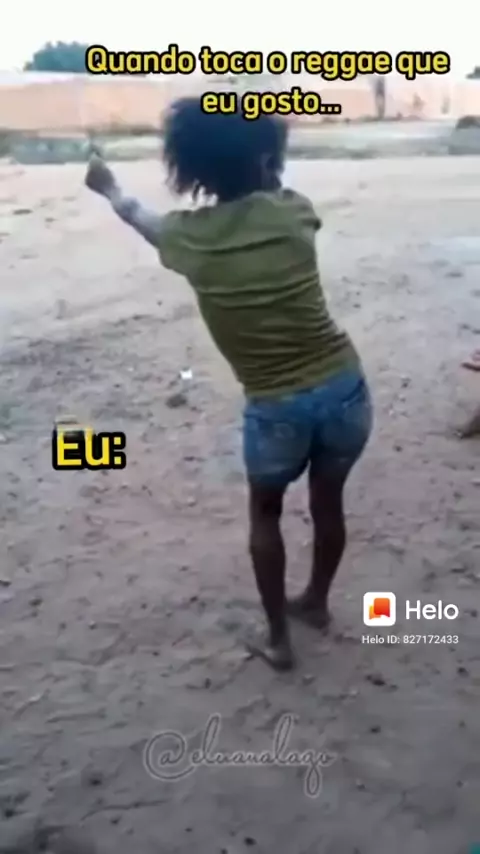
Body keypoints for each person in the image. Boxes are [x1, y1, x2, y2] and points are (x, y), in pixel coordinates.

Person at [84, 99, 373, 670]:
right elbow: (270, 187)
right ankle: (315, 603)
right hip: (345, 388)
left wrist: (108, 185)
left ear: (191, 169)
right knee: (328, 503)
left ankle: (278, 641)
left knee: (265, 515)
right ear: (268, 158)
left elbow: (136, 214)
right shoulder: (295, 212)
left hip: (275, 408)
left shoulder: (186, 238)